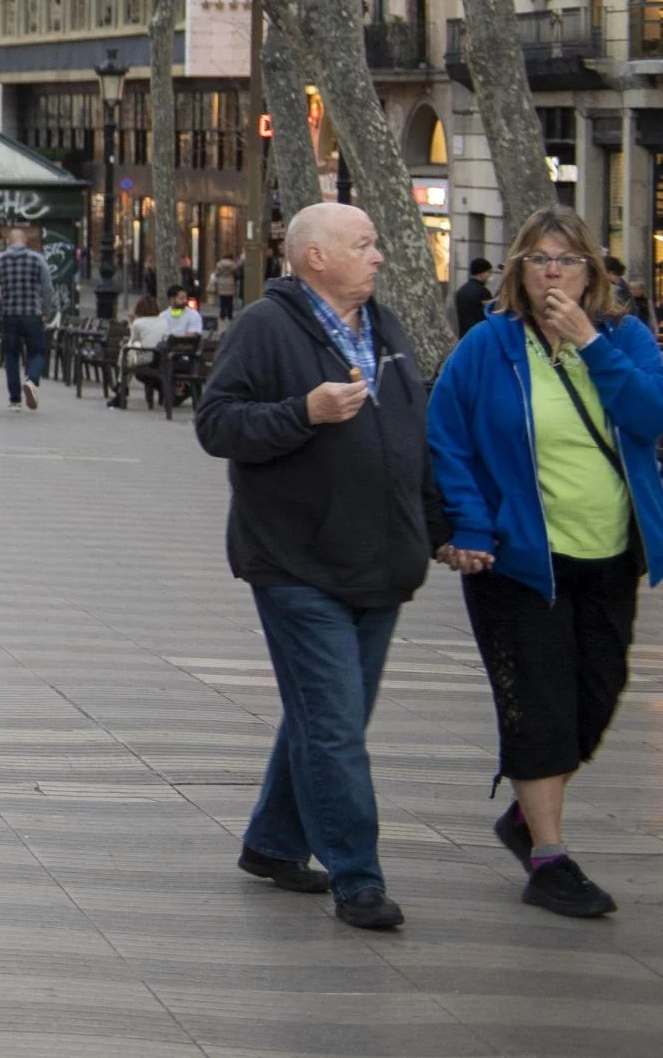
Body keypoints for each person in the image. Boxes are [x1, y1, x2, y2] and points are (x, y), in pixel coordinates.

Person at [192, 202, 446, 932]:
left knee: (327, 714)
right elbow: (218, 423)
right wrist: (303, 411)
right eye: (362, 244)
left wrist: (439, 526)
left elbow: (412, 437)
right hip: (296, 562)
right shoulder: (266, 328)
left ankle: (274, 841)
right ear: (315, 258)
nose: (378, 256)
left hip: (382, 562)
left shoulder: (387, 329)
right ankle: (357, 877)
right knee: (334, 723)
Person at [428, 207, 663, 920]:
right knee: (539, 704)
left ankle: (528, 814)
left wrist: (590, 343)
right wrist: (469, 524)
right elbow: (447, 437)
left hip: (610, 556)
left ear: (593, 271)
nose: (552, 271)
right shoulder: (487, 346)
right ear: (516, 273)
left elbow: (651, 417)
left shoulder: (625, 339)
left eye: (566, 259)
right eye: (538, 259)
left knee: (596, 694)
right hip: (518, 562)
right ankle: (550, 857)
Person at [0, 224, 52, 410]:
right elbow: (48, 288)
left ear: (9, 241)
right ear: (24, 240)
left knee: (11, 356)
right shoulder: (37, 259)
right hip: (33, 314)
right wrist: (46, 310)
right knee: (37, 352)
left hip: (10, 315)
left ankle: (14, 399)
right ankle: (31, 380)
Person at [453, 255, 494, 337]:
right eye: (488, 272)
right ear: (482, 273)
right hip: (480, 335)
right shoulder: (483, 292)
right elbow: (490, 314)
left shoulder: (461, 290)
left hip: (465, 335)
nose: (490, 276)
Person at [212, 252, 244, 324]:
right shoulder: (233, 265)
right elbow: (236, 274)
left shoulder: (219, 264)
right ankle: (229, 315)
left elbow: (216, 273)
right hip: (230, 283)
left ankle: (222, 315)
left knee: (222, 300)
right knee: (229, 301)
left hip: (221, 283)